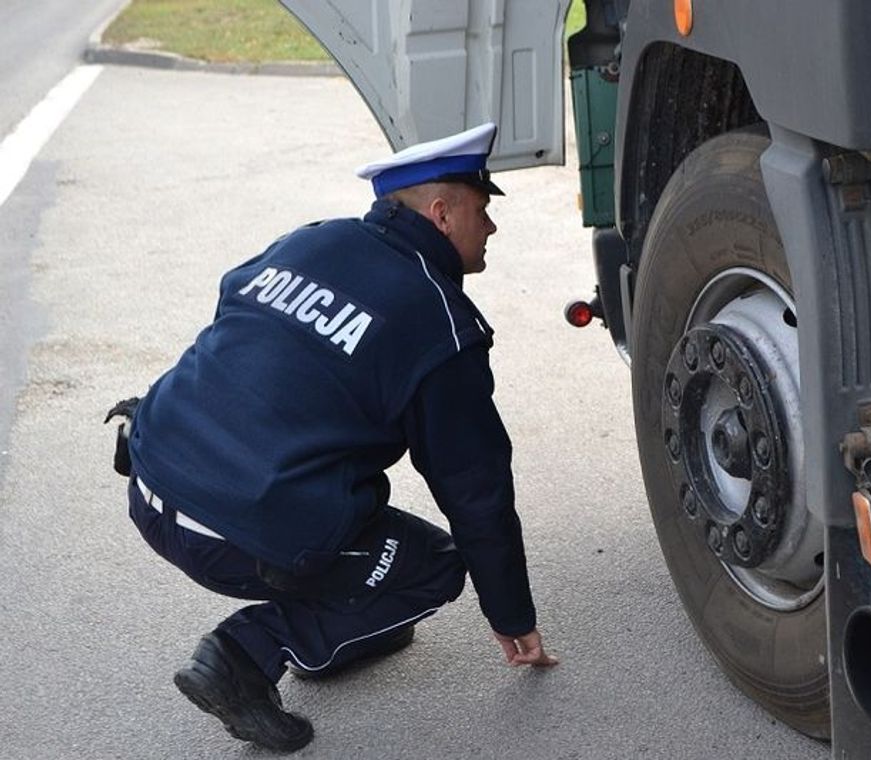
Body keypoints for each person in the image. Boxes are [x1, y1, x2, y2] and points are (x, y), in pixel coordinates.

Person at [120, 122, 557, 753]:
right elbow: (475, 489)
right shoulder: (438, 321)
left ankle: (327, 634)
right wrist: (513, 617)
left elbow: (231, 319)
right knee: (431, 566)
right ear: (441, 214)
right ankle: (245, 652)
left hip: (149, 479)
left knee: (370, 582)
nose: (491, 228)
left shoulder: (311, 240)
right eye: (483, 211)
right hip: (229, 532)